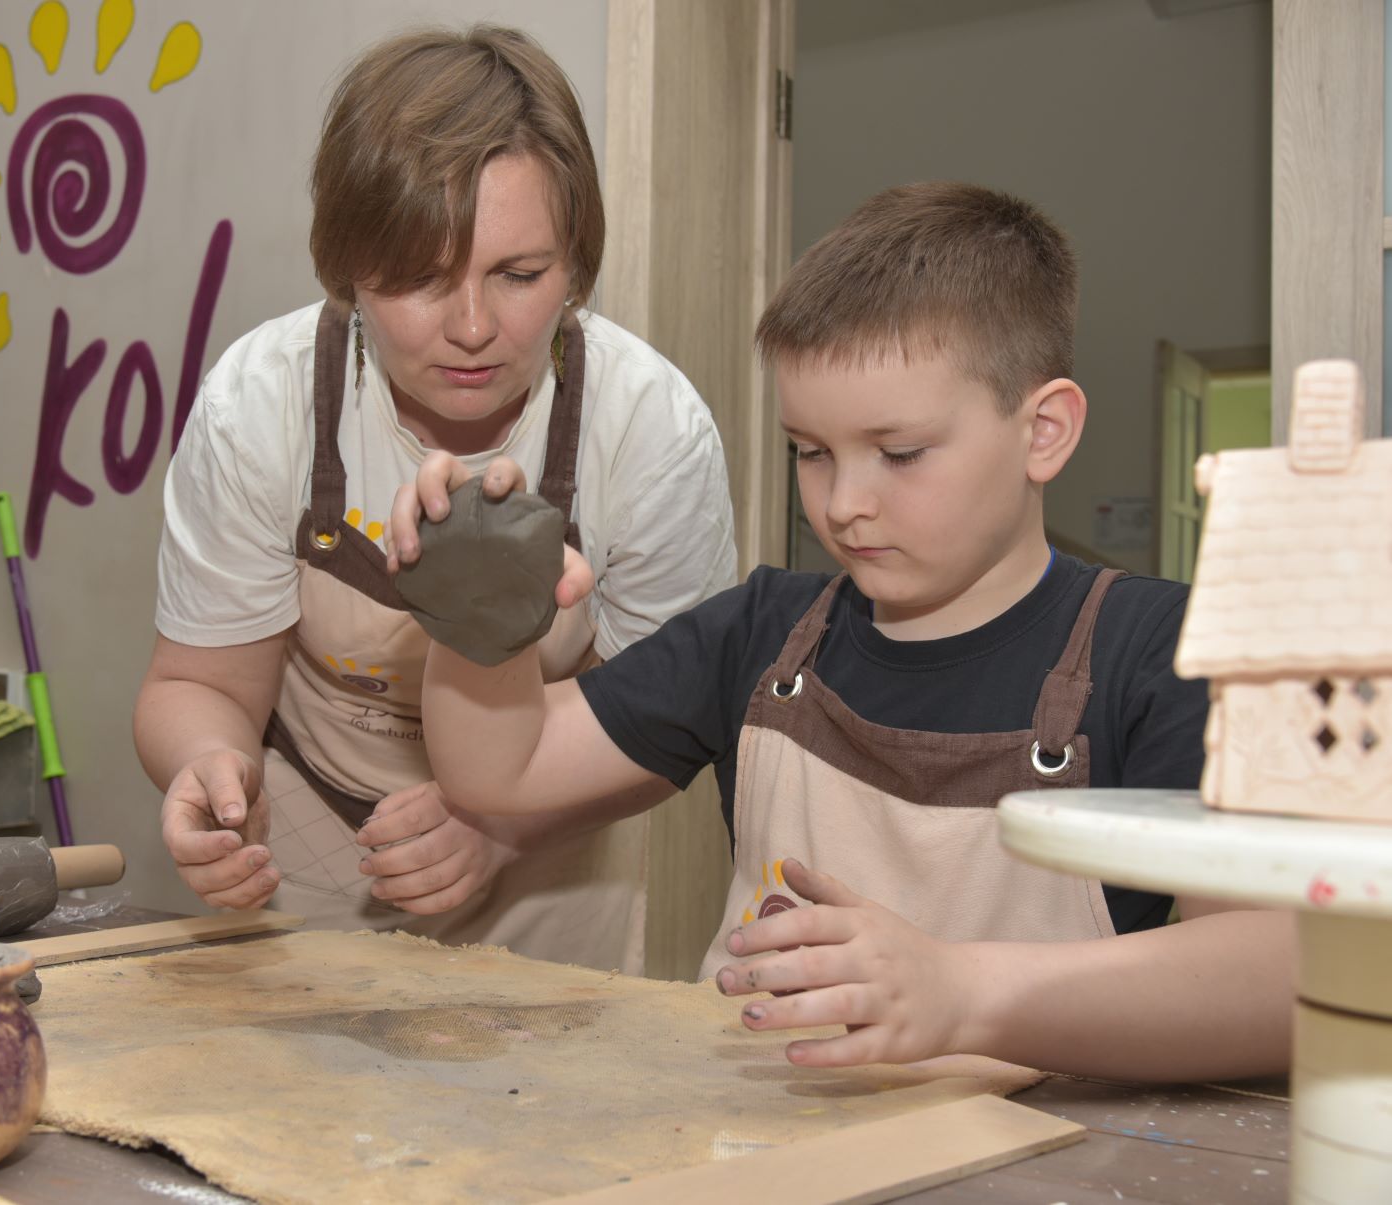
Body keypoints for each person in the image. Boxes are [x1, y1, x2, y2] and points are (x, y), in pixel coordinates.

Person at [401, 182, 1293, 1080]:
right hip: (758, 1151)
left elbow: (1271, 976)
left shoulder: (1162, 656)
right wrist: (477, 612)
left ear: (1044, 431)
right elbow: (499, 770)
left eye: (899, 453)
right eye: (810, 451)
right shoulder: (761, 633)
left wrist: (960, 993)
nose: (844, 504)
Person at [136, 25, 736, 971]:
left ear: (576, 264)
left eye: (520, 274)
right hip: (300, 853)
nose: (471, 328)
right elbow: (198, 685)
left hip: (550, 864)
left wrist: (503, 828)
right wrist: (208, 770)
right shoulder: (260, 405)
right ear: (345, 269)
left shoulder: (651, 434)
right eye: (419, 277)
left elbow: (659, 722)